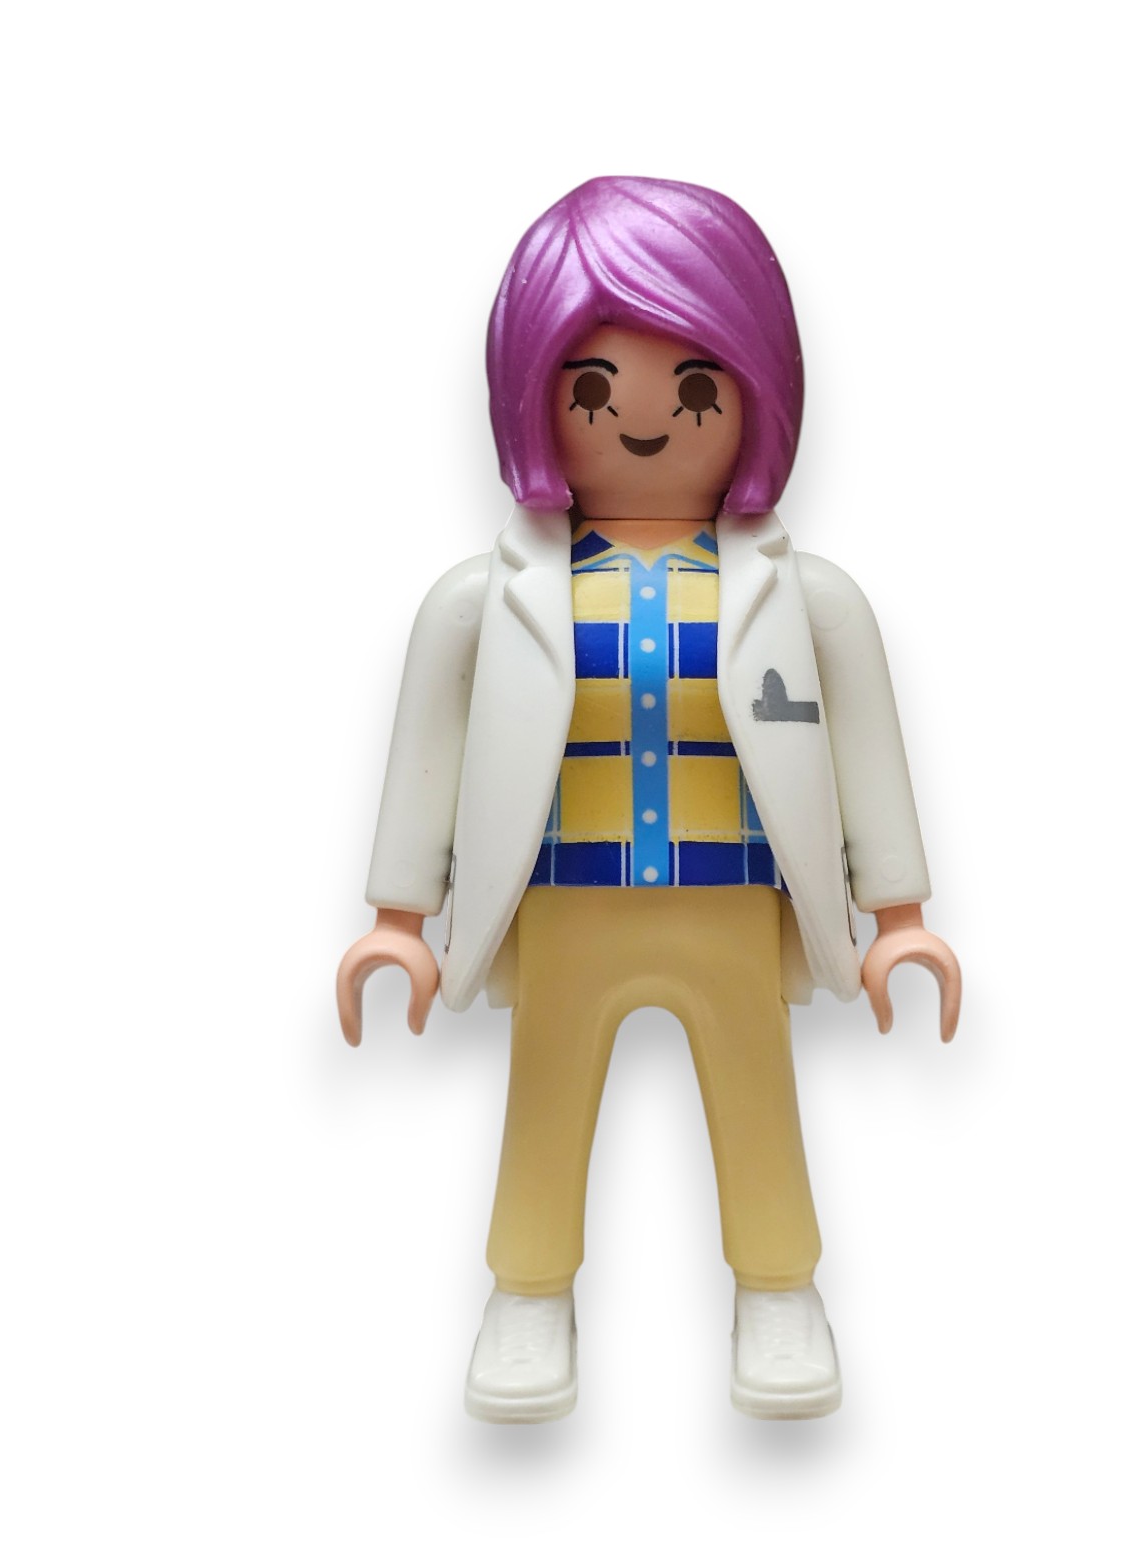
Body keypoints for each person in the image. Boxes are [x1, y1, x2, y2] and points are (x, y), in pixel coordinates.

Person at [337, 176, 960, 1422]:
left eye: (694, 392)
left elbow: (865, 750)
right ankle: (527, 1291)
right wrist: (399, 918)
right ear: (531, 401)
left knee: (757, 1094)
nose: (642, 424)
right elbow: (430, 744)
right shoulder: (485, 600)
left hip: (734, 905)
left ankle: (778, 1287)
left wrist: (897, 914)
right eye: (589, 393)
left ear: (758, 399)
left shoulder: (804, 596)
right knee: (544, 1099)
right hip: (561, 906)